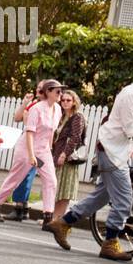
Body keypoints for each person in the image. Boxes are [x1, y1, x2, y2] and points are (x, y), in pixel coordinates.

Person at [47, 54, 133, 260]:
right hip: (112, 151)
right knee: (123, 199)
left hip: (126, 153)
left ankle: (63, 222)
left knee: (102, 195)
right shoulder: (130, 94)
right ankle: (110, 244)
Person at [0, 79, 62, 224]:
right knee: (15, 178)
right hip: (27, 148)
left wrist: (49, 150)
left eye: (61, 91)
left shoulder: (58, 110)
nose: (60, 93)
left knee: (51, 181)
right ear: (48, 92)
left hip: (43, 150)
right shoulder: (36, 108)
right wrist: (31, 155)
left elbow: (51, 132)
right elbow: (30, 132)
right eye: (57, 91)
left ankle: (48, 217)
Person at [48, 88, 87, 226]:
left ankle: (57, 219)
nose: (65, 102)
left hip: (68, 159)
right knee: (56, 188)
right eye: (63, 100)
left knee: (64, 190)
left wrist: (64, 154)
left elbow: (75, 138)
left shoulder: (77, 117)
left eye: (68, 100)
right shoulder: (62, 116)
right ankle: (54, 217)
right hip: (56, 156)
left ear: (74, 101)